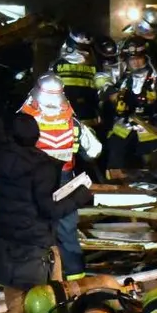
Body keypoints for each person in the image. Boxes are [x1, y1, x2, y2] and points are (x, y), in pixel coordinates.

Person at [0, 113, 94, 313]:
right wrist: (79, 197)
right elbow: (49, 209)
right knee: (49, 303)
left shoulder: (0, 161)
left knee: (15, 305)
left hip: (7, 245)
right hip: (37, 247)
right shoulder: (42, 166)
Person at [19, 73, 102, 279]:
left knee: (34, 231)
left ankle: (38, 280)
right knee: (67, 232)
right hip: (66, 183)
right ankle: (76, 281)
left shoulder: (24, 120)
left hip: (33, 183)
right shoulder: (72, 122)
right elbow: (94, 151)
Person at [104, 38, 157, 173]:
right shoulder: (124, 79)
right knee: (115, 160)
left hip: (151, 130)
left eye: (138, 58)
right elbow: (104, 84)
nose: (135, 62)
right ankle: (116, 187)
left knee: (153, 167)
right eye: (131, 59)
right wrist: (113, 97)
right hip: (125, 128)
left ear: (145, 57)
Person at [53, 31, 100, 122]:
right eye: (82, 47)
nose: (85, 51)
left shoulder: (93, 65)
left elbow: (96, 90)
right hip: (64, 112)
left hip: (87, 112)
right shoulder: (58, 64)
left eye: (87, 47)